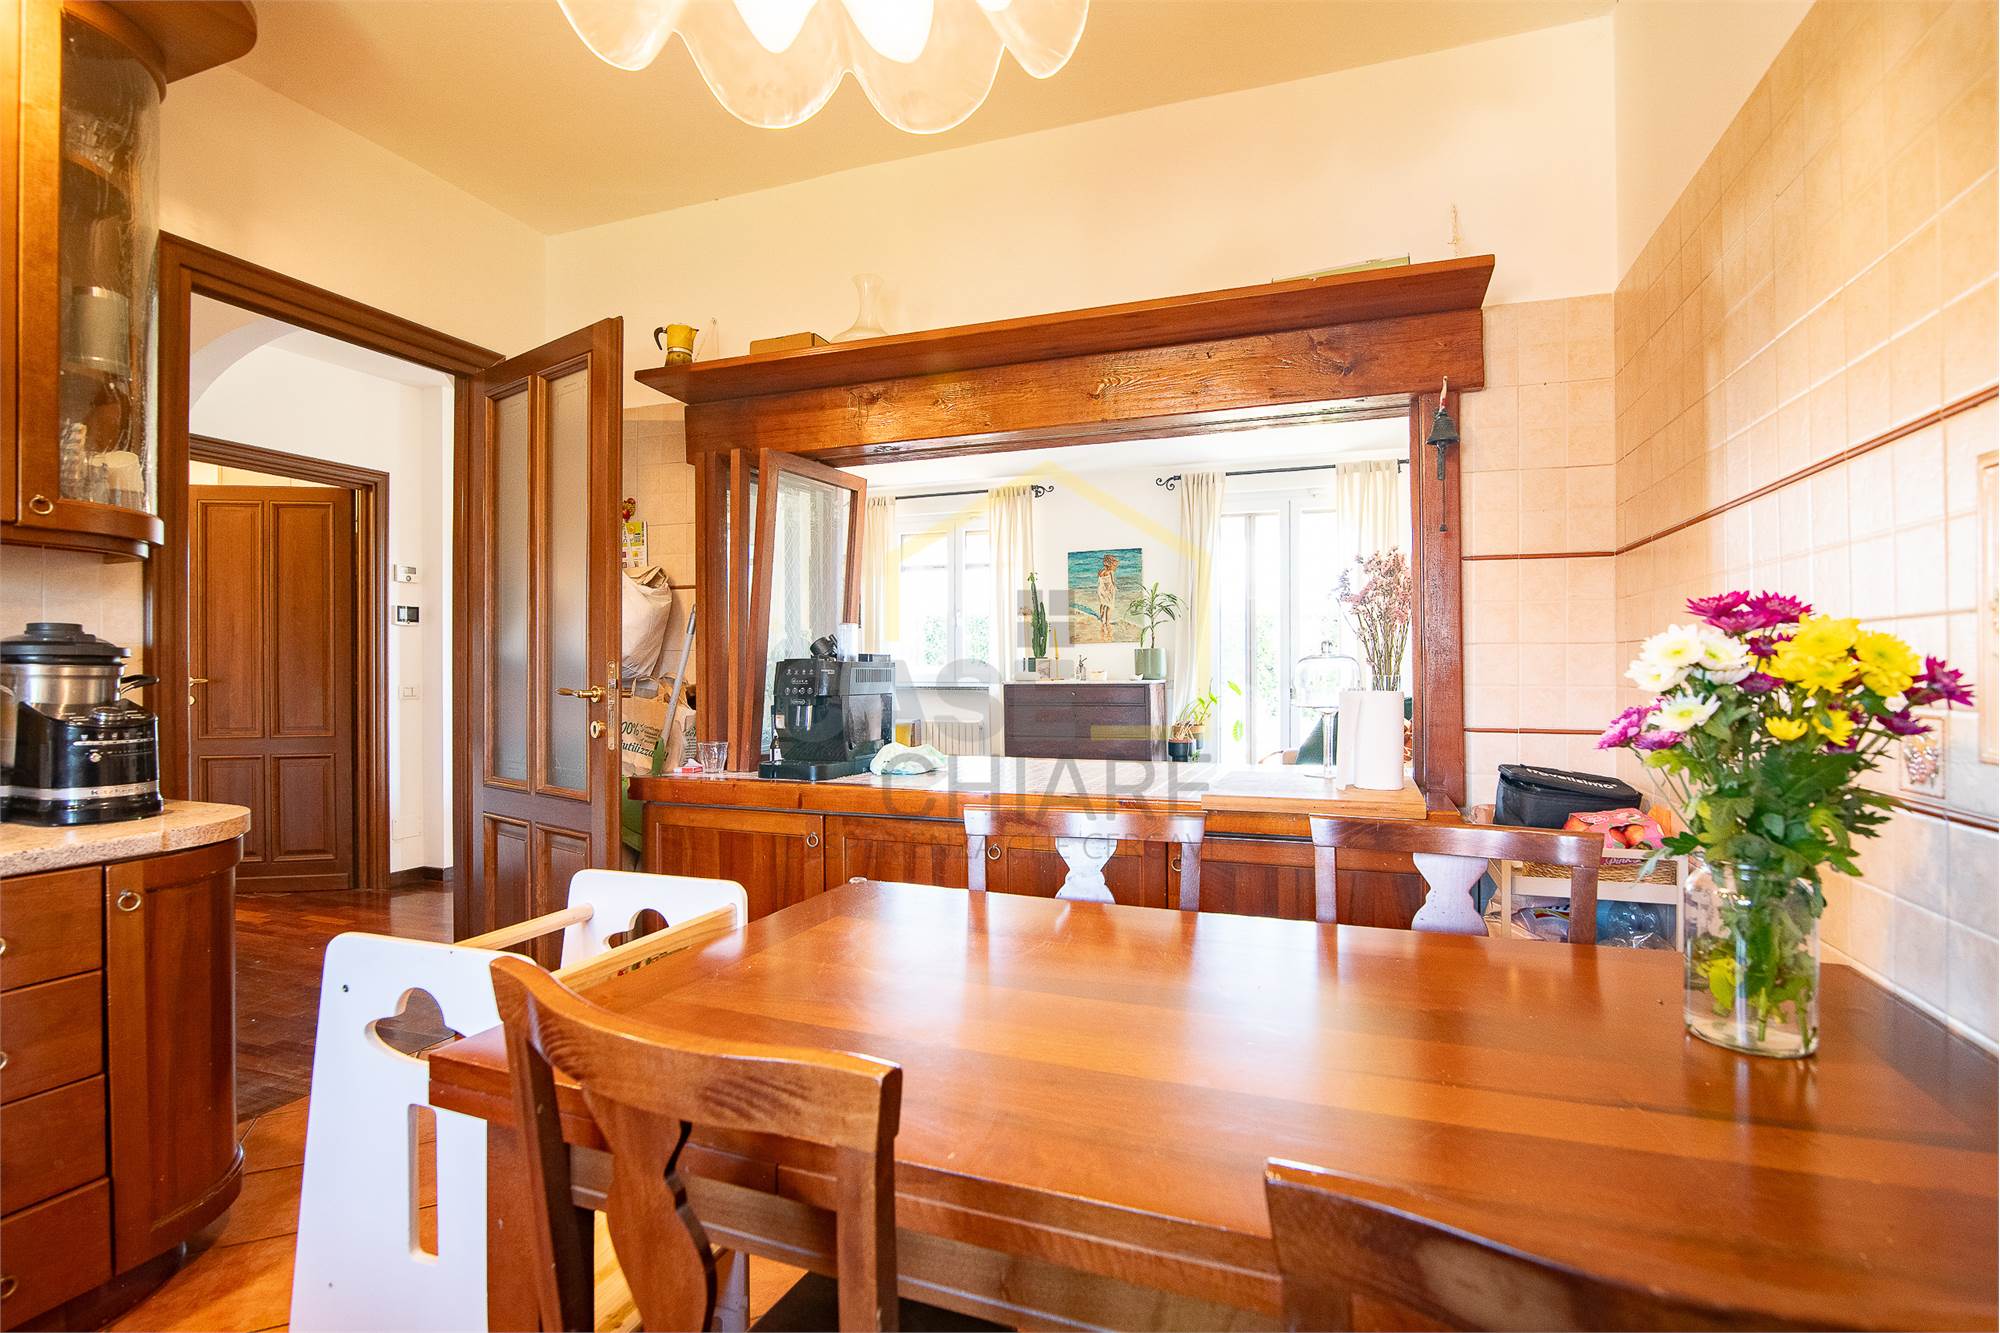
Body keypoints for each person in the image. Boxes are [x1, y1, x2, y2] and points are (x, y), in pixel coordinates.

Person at [1095, 553, 1119, 643]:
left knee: (1102, 604)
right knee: (1109, 606)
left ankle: (1102, 619)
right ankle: (1107, 622)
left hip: (1101, 590)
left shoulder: (1100, 571)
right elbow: (1112, 582)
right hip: (1109, 591)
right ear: (1111, 564)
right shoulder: (1111, 572)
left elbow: (1100, 581)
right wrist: (1115, 588)